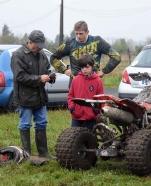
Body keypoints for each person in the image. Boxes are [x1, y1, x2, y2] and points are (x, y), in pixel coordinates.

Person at [11, 30, 56, 160]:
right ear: (30, 42)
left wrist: (50, 77)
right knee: (25, 124)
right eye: (38, 45)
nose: (40, 48)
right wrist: (39, 79)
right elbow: (19, 76)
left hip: (40, 97)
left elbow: (46, 70)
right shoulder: (18, 55)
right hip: (24, 97)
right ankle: (27, 154)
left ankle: (43, 152)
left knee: (42, 123)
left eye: (42, 45)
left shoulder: (41, 55)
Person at [50, 20, 121, 87]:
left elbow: (116, 57)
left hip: (93, 82)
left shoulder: (97, 41)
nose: (78, 36)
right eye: (76, 34)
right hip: (75, 83)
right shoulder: (70, 43)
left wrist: (104, 71)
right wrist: (64, 70)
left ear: (87, 32)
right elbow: (53, 58)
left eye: (81, 34)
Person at [67, 54, 104, 130]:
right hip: (77, 115)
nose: (84, 69)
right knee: (74, 138)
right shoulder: (76, 79)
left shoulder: (98, 81)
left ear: (92, 66)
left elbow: (101, 98)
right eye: (82, 67)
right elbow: (70, 95)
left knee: (91, 138)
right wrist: (72, 108)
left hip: (91, 116)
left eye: (87, 67)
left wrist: (96, 110)